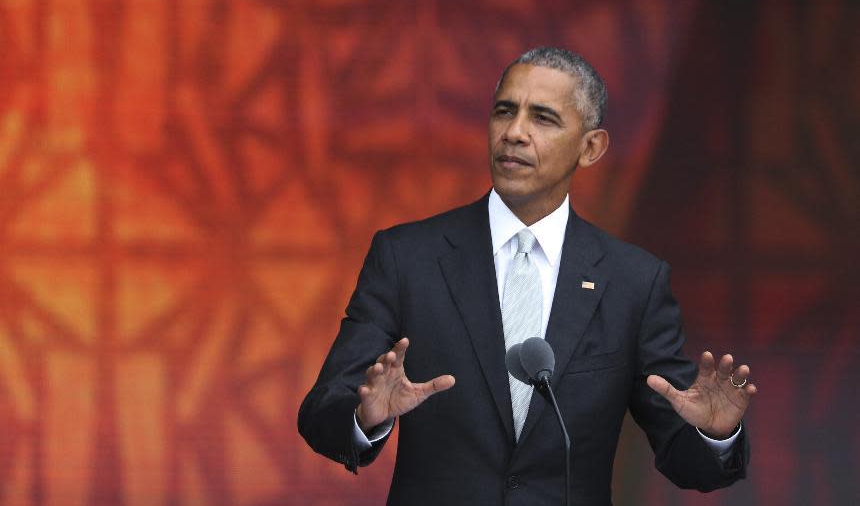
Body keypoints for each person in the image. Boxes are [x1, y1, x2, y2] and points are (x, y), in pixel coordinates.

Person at [298, 47, 756, 505]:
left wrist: (717, 434)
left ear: (591, 147)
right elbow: (322, 412)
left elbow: (684, 455)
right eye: (504, 111)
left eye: (543, 118)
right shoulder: (407, 259)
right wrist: (365, 416)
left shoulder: (633, 282)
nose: (514, 133)